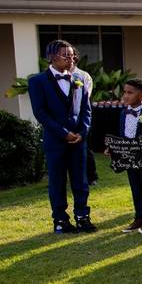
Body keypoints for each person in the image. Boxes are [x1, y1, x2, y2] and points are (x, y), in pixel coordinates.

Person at [27, 39, 95, 233]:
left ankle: (82, 216)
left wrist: (82, 132)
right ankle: (60, 220)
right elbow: (40, 113)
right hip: (55, 141)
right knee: (57, 181)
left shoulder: (78, 79)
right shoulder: (37, 81)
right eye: (66, 55)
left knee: (80, 181)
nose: (71, 59)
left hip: (78, 141)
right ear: (51, 57)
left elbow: (86, 110)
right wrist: (64, 134)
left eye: (72, 55)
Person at [108, 78, 142, 234]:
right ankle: (140, 217)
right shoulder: (123, 112)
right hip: (129, 158)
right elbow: (122, 135)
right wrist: (114, 149)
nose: (125, 96)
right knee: (136, 187)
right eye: (124, 92)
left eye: (130, 93)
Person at [69, 57, 98, 186]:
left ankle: (91, 176)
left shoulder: (83, 75)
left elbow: (86, 96)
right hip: (65, 121)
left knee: (86, 147)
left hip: (81, 116)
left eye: (70, 57)